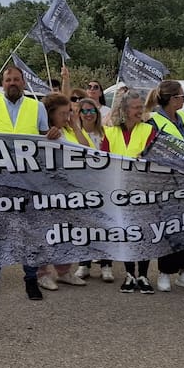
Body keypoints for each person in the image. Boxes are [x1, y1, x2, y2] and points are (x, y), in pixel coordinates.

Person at [0, 65, 61, 300]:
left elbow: (46, 138)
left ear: (23, 83)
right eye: (8, 79)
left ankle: (31, 280)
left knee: (29, 232)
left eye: (16, 79)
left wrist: (54, 135)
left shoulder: (36, 107)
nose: (12, 83)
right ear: (2, 84)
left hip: (28, 181)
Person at [145, 80, 184, 292]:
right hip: (165, 182)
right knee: (168, 226)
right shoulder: (153, 121)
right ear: (170, 99)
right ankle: (165, 271)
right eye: (181, 97)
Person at [101, 92, 157, 293]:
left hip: (142, 191)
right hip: (119, 191)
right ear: (124, 110)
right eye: (135, 107)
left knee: (143, 234)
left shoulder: (149, 131)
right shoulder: (110, 133)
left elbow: (156, 160)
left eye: (141, 107)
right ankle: (129, 274)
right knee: (125, 233)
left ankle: (143, 274)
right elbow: (103, 162)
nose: (139, 110)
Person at [41, 92, 88, 290]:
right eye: (63, 113)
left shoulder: (68, 130)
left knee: (65, 232)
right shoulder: (42, 132)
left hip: (69, 192)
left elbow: (87, 149)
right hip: (46, 192)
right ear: (51, 114)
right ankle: (41, 273)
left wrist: (75, 125)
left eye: (69, 112)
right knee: (44, 233)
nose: (66, 117)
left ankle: (63, 271)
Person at [72, 93, 114, 282]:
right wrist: (75, 126)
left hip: (103, 185)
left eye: (91, 111)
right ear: (79, 114)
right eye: (84, 111)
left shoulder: (106, 133)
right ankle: (84, 263)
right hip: (81, 185)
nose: (88, 114)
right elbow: (83, 149)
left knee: (104, 225)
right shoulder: (72, 133)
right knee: (83, 226)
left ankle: (106, 265)